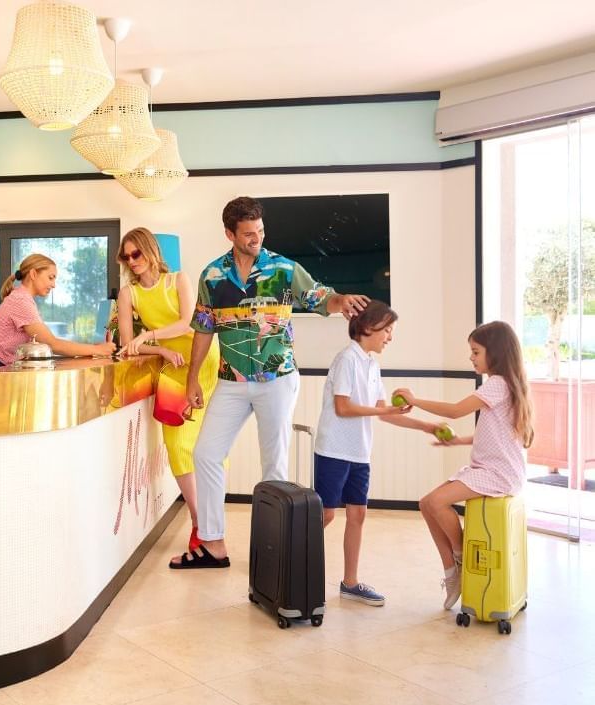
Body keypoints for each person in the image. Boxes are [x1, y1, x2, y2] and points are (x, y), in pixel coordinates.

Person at [170, 196, 370, 569]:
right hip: (230, 380)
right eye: (247, 233)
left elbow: (319, 296)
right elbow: (203, 329)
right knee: (205, 454)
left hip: (276, 379)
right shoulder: (212, 276)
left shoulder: (283, 268)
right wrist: (192, 379)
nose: (256, 238)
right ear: (229, 233)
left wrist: (341, 301)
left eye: (260, 231)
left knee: (274, 466)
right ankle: (213, 544)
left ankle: (273, 550)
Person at [392, 320, 533, 610]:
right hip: (493, 470)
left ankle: (462, 559)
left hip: (497, 474)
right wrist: (458, 442)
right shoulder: (507, 385)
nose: (471, 357)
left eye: (476, 351)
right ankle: (452, 571)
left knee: (434, 502)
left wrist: (415, 400)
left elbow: (455, 410)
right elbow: (498, 437)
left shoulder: (497, 384)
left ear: (495, 352)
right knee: (426, 503)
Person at [314, 300, 441, 605]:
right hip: (333, 449)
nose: (390, 337)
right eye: (388, 330)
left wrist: (425, 425)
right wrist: (379, 410)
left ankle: (350, 582)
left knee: (358, 514)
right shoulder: (347, 359)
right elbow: (343, 408)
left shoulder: (372, 364)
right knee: (326, 515)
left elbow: (383, 413)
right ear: (369, 327)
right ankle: (288, 561)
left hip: (359, 452)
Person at [116, 227, 221, 553]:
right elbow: (125, 345)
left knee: (208, 443)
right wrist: (159, 350)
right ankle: (199, 522)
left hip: (202, 359)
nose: (132, 261)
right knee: (177, 444)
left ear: (150, 251)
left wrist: (149, 336)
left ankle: (212, 522)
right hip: (173, 365)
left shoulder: (178, 280)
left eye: (137, 253)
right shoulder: (127, 294)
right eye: (126, 256)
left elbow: (189, 323)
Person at [0, 253, 115, 368]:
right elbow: (52, 344)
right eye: (51, 278)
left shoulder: (22, 298)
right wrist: (99, 350)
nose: (54, 285)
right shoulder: (20, 301)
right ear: (33, 274)